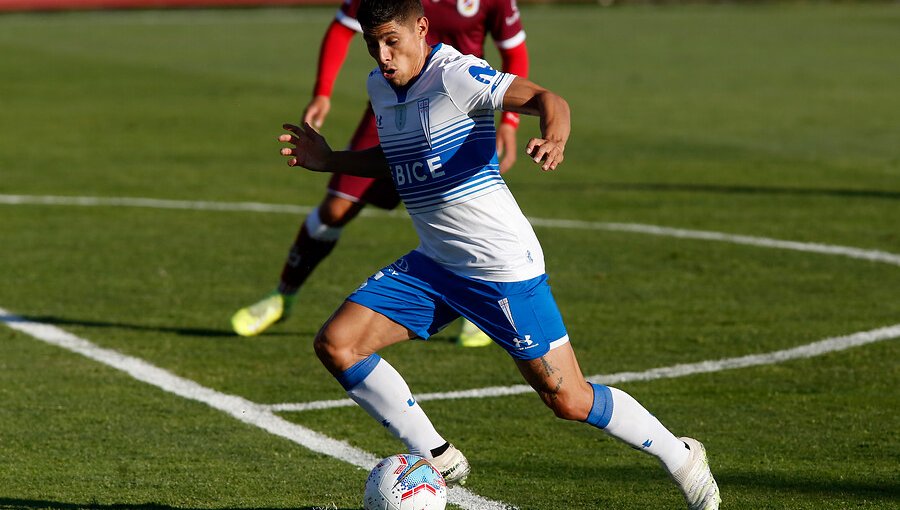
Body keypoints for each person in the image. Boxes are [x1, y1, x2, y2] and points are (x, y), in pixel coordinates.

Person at [277, 0, 722, 507]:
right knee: (338, 344)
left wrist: (552, 137)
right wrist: (331, 159)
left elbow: (549, 99)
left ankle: (680, 453)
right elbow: (399, 157)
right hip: (438, 265)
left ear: (420, 28)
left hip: (500, 269)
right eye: (372, 42)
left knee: (568, 399)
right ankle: (436, 455)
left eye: (391, 40)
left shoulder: (457, 76)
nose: (382, 54)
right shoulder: (381, 87)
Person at [231, 0, 530, 348]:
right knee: (336, 209)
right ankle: (283, 294)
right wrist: (323, 93)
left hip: (456, 109)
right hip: (393, 103)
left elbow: (514, 50)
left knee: (460, 208)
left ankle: (478, 305)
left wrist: (509, 122)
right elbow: (344, 27)